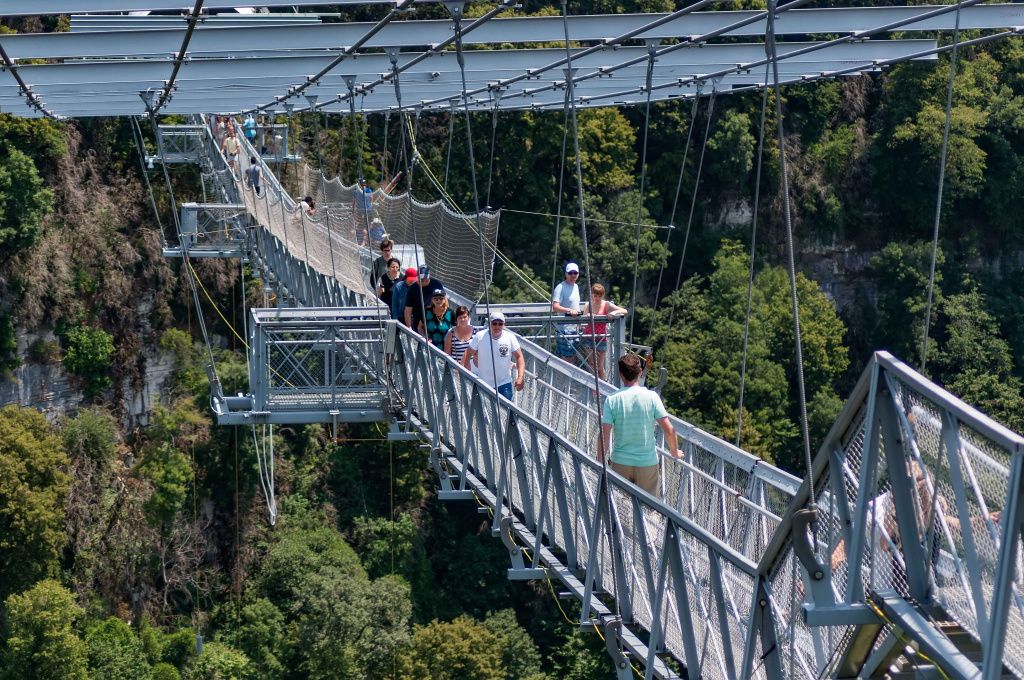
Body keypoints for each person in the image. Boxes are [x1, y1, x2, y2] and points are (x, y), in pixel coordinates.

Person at [600, 354, 681, 496]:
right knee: (648, 511)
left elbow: (604, 436)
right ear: (640, 373)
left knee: (619, 508)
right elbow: (669, 430)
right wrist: (674, 452)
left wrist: (599, 463)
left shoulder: (612, 400)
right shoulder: (652, 397)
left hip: (620, 461)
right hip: (647, 462)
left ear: (621, 375)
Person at [463, 311, 525, 400]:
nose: (497, 326)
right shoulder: (480, 336)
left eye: (500, 324)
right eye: (494, 323)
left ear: (504, 324)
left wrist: (520, 377)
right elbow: (468, 353)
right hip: (483, 384)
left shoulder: (510, 337)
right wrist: (466, 371)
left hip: (504, 384)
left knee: (505, 413)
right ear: (490, 324)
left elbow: (519, 357)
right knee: (484, 413)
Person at [580, 283, 627, 381]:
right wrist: (587, 314)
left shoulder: (606, 304)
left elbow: (624, 310)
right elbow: (582, 322)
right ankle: (594, 388)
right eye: (595, 295)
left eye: (599, 296)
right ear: (592, 294)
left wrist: (614, 312)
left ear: (603, 295)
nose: (597, 298)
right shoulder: (588, 305)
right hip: (589, 337)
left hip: (602, 338)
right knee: (592, 364)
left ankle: (603, 387)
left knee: (600, 367)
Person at [552, 262, 583, 363]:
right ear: (566, 274)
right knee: (566, 359)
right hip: (564, 329)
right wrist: (569, 311)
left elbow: (576, 306)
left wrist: (579, 324)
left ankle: (568, 379)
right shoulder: (560, 287)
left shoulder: (576, 287)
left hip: (575, 328)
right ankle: (563, 379)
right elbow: (555, 307)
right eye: (570, 273)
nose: (573, 275)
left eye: (575, 273)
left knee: (573, 358)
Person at [405, 264, 444, 332]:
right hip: (418, 323)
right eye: (422, 280)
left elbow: (445, 301)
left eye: (426, 279)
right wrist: (409, 328)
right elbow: (408, 310)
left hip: (435, 322)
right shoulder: (413, 289)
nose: (424, 282)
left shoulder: (436, 284)